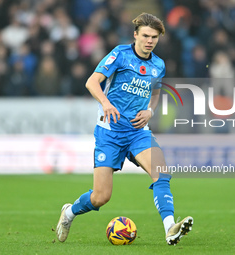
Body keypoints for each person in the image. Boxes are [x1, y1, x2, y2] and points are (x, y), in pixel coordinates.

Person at [55, 13, 193, 245]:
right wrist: (106, 103)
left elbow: (156, 92)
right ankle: (69, 213)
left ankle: (170, 227)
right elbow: (92, 82)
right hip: (109, 132)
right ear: (136, 35)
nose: (150, 41)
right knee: (101, 197)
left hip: (138, 132)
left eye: (155, 37)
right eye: (146, 36)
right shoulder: (120, 54)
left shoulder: (158, 65)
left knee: (161, 173)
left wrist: (151, 110)